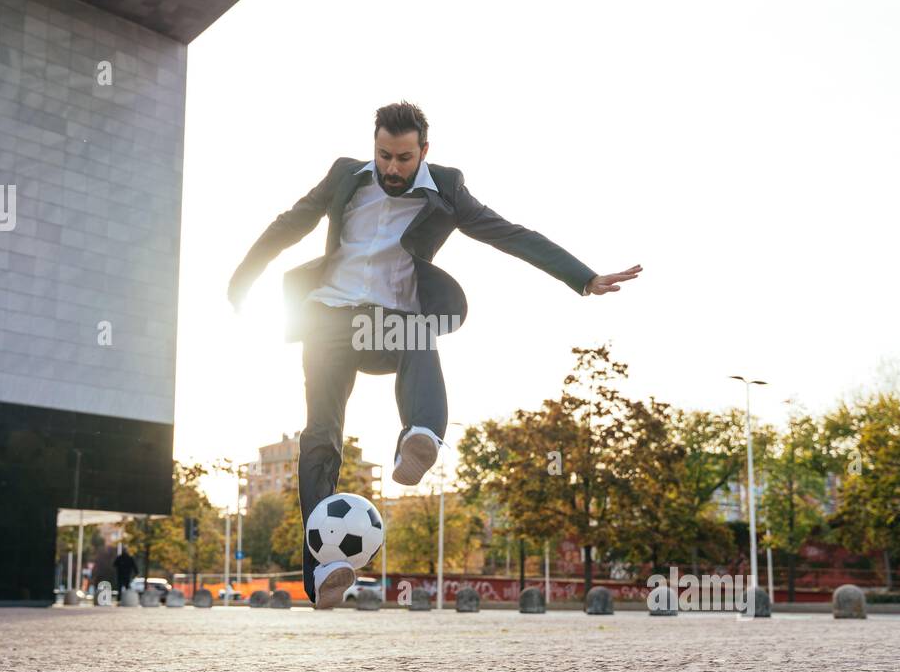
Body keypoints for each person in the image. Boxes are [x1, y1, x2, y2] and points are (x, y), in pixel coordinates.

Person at [227, 101, 641, 609]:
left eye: (403, 158)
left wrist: (583, 276)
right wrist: (245, 279)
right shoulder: (342, 175)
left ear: (424, 151)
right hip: (327, 315)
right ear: (373, 147)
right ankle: (327, 569)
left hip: (389, 322)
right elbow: (291, 222)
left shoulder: (446, 187)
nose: (392, 169)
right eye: (383, 156)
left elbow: (510, 234)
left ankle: (420, 436)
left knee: (420, 330)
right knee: (320, 435)